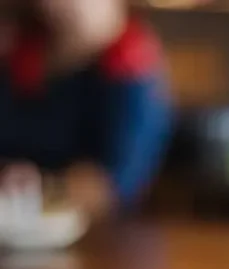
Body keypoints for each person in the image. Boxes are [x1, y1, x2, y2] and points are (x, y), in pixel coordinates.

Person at [0, 0, 172, 217]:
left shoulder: (131, 67)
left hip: (95, 238)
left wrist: (40, 187)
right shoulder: (22, 50)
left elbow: (111, 186)